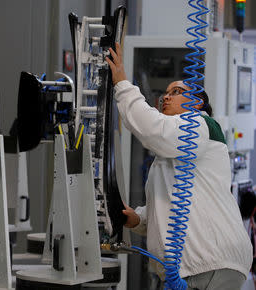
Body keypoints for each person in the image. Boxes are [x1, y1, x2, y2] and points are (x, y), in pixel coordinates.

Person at [106, 42, 252, 290]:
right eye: (165, 92)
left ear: (197, 104)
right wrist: (138, 219)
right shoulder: (170, 154)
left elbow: (152, 128)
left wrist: (122, 84)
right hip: (194, 269)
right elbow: (171, 211)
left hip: (210, 264)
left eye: (176, 92)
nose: (165, 97)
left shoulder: (202, 126)